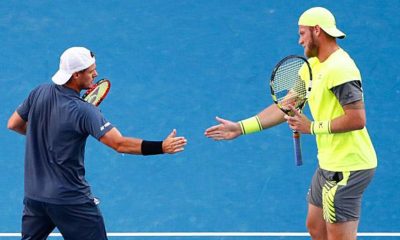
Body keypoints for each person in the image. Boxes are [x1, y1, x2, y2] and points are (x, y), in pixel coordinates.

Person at [204, 7, 377, 240]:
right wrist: (241, 127)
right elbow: (285, 105)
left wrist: (311, 127)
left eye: (302, 33)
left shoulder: (341, 69)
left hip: (348, 166)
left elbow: (357, 119)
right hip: (328, 162)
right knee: (315, 226)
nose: (300, 40)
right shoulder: (313, 66)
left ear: (317, 31)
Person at [7, 46, 187, 240]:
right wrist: (161, 147)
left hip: (35, 197)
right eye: (91, 71)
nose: (96, 74)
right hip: (71, 201)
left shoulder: (39, 92)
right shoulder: (84, 111)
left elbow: (13, 124)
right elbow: (120, 144)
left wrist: (48, 138)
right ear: (76, 75)